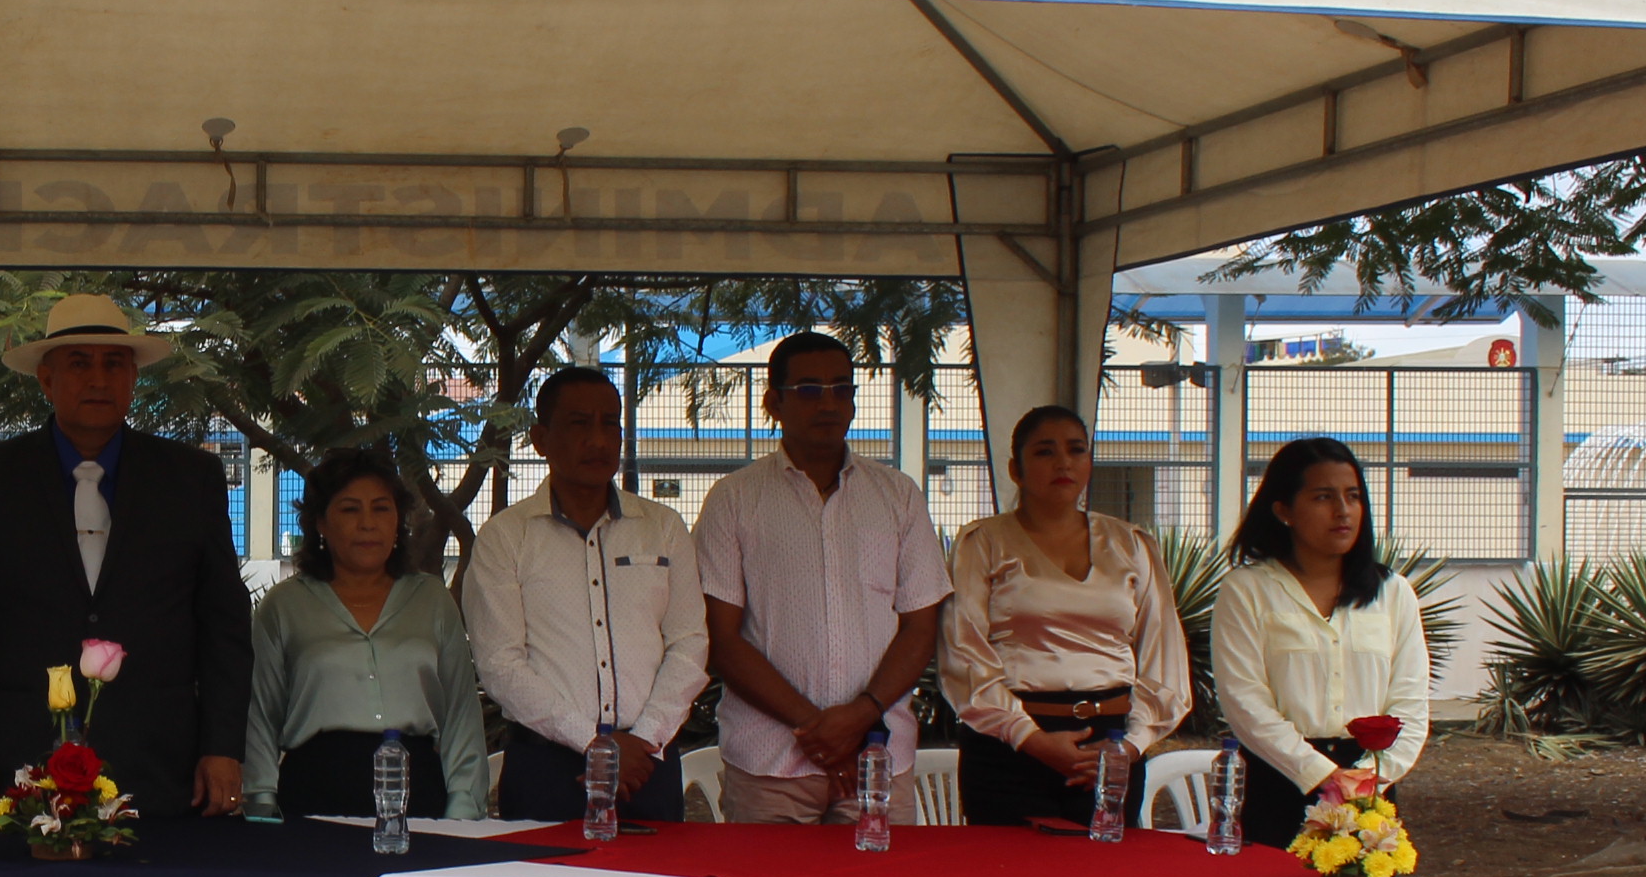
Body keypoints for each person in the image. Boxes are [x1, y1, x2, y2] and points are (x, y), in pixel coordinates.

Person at [0, 294, 253, 816]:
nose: (98, 380)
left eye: (114, 364)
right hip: (19, 761)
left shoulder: (190, 478)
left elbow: (224, 624)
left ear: (133, 378)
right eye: (79, 364)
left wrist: (223, 746)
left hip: (160, 762)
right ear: (46, 379)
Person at [693, 332, 949, 824]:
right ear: (774, 403)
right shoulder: (734, 499)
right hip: (770, 761)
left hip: (876, 757)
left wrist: (860, 717)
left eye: (841, 388)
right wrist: (818, 729)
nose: (828, 403)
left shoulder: (898, 495)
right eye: (809, 389)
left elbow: (920, 626)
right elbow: (720, 639)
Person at [463, 364, 710, 824]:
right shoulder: (506, 537)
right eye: (579, 424)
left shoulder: (662, 528)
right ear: (540, 439)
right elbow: (500, 663)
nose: (598, 440)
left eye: (610, 423)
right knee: (540, 874)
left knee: (660, 874)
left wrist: (644, 740)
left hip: (646, 763)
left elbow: (689, 643)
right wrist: (594, 744)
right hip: (548, 767)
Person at [938, 405, 1193, 829]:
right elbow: (963, 652)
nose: (1063, 463)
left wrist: (1131, 744)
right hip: (1009, 746)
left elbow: (1162, 652)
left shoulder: (1130, 544)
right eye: (1045, 452)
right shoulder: (982, 542)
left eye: (1076, 450)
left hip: (1110, 747)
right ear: (1015, 469)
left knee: (1104, 869)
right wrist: (1031, 739)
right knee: (1009, 870)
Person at [1210, 436, 1434, 851]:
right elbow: (1244, 702)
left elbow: (1410, 702)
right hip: (1279, 780)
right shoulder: (1247, 590)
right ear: (1283, 510)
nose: (1342, 510)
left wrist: (1369, 780)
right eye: (1323, 497)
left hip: (1370, 788)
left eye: (1353, 496)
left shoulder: (1393, 592)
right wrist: (1321, 774)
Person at [245, 450, 488, 822]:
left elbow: (461, 715)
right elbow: (261, 716)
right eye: (349, 510)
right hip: (314, 793)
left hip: (418, 792)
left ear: (398, 520)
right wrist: (261, 803)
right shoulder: (284, 605)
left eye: (381, 508)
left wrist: (464, 808)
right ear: (320, 523)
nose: (367, 524)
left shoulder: (432, 599)